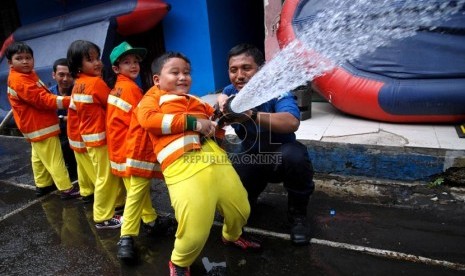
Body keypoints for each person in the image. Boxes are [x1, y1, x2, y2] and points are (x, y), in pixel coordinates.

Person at [137, 52, 260, 276]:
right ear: (157, 80)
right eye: (175, 72)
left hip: (216, 161)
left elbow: (215, 121)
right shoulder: (152, 99)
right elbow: (149, 121)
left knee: (241, 209)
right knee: (194, 231)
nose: (183, 77)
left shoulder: (196, 101)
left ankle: (231, 236)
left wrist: (229, 114)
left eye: (186, 72)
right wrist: (195, 123)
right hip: (183, 168)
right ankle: (179, 263)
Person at [217, 43, 315, 245]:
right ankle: (246, 203)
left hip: (280, 159)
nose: (239, 75)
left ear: (260, 70)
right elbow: (214, 113)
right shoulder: (229, 93)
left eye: (246, 68)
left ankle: (297, 216)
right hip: (253, 160)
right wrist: (219, 103)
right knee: (233, 180)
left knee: (296, 156)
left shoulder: (277, 90)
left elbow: (291, 122)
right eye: (233, 70)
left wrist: (252, 115)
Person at [105, 41, 174, 262]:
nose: (134, 65)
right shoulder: (132, 90)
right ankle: (127, 237)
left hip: (119, 149)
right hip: (132, 148)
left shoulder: (118, 87)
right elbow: (143, 122)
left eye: (135, 61)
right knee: (136, 192)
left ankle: (151, 222)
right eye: (127, 62)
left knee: (136, 191)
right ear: (116, 68)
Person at [5, 41, 80, 199]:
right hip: (41, 125)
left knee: (38, 158)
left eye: (28, 57)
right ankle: (66, 189)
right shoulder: (21, 80)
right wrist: (71, 101)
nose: (25, 61)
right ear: (10, 62)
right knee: (54, 158)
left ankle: (43, 185)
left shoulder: (24, 76)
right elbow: (43, 99)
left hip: (33, 126)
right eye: (20, 58)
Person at [67, 40, 124, 229]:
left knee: (103, 176)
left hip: (90, 139)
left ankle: (113, 208)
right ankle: (103, 217)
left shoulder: (77, 85)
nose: (97, 62)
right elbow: (113, 104)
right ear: (77, 65)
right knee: (105, 177)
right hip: (101, 138)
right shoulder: (95, 83)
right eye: (90, 59)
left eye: (97, 57)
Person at [49, 58, 78, 180]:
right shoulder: (48, 94)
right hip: (57, 134)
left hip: (75, 135)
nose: (65, 79)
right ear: (53, 75)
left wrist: (61, 119)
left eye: (69, 75)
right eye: (61, 75)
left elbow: (82, 117)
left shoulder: (79, 92)